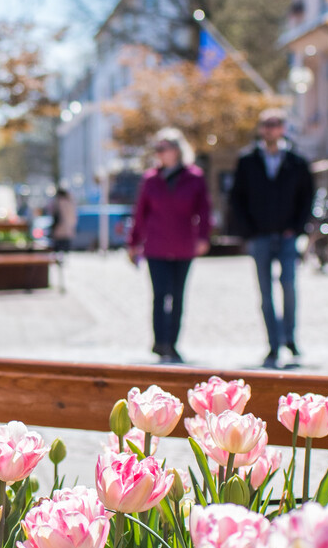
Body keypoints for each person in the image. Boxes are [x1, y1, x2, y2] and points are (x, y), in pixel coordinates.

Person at [229, 108, 316, 369]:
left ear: (283, 128)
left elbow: (308, 197)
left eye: (275, 124)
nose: (270, 129)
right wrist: (249, 231)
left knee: (289, 286)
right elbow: (236, 198)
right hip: (260, 236)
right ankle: (273, 343)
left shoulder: (297, 161)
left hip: (288, 236)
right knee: (265, 293)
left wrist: (297, 227)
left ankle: (289, 337)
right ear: (260, 129)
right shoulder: (248, 160)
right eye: (266, 124)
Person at [127, 129, 212, 364]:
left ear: (177, 150)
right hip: (156, 246)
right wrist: (133, 243)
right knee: (159, 295)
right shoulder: (150, 179)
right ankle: (159, 342)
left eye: (164, 148)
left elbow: (204, 210)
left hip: (184, 245)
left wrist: (203, 237)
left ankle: (172, 344)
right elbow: (140, 214)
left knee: (177, 296)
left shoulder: (194, 177)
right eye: (158, 149)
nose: (160, 154)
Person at [50, 188, 77, 253]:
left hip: (59, 230)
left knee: (58, 250)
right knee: (65, 251)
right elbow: (74, 218)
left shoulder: (58, 202)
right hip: (68, 230)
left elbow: (56, 216)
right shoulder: (71, 203)